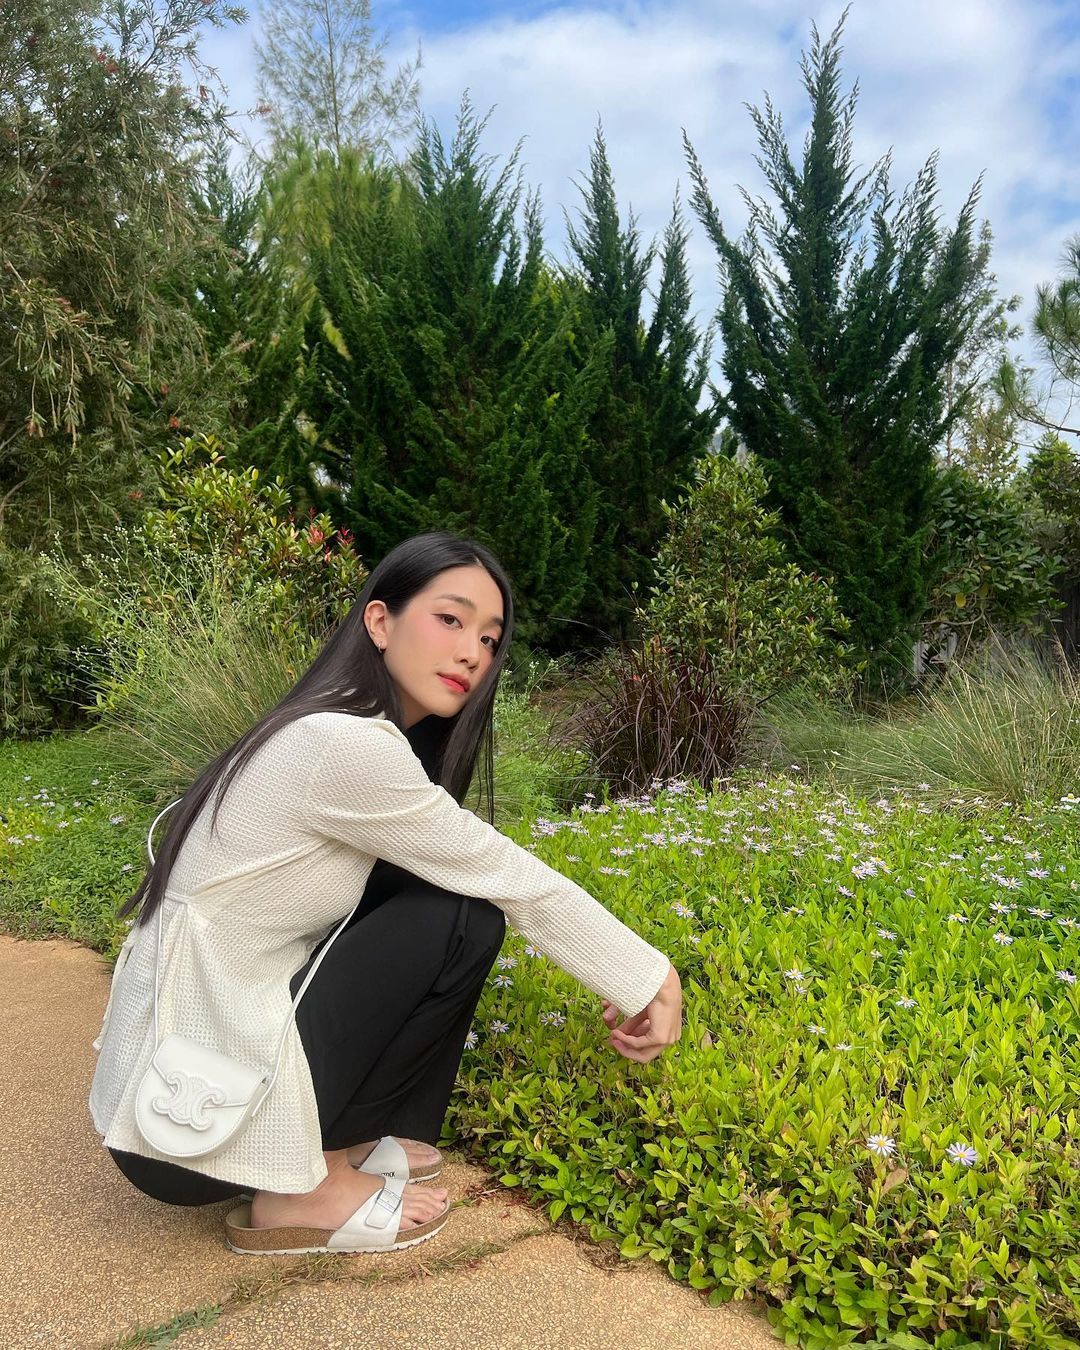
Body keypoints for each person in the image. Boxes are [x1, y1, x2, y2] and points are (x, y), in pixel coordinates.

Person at [88, 530, 683, 1255]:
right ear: (379, 621)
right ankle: (304, 1186)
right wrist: (648, 976)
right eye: (450, 618)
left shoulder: (334, 726)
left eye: (489, 639)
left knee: (441, 897)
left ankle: (346, 1136)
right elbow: (507, 873)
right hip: (188, 1121)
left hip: (179, 1085)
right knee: (456, 915)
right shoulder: (346, 745)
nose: (472, 653)